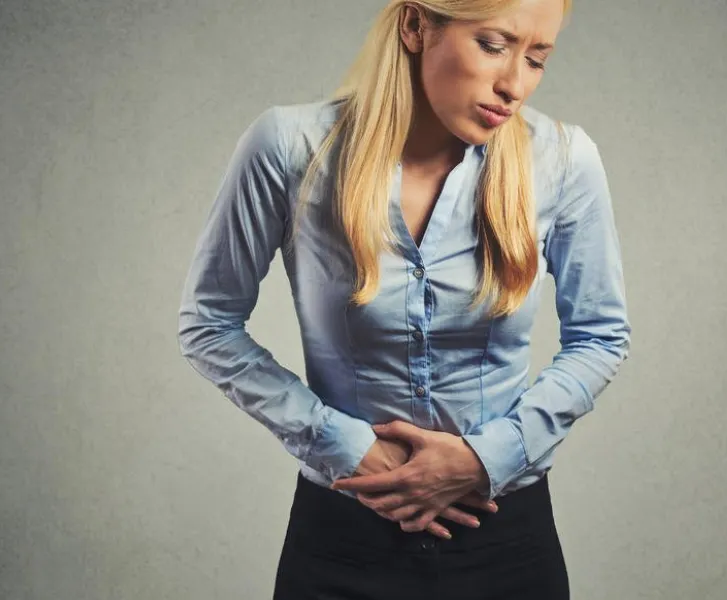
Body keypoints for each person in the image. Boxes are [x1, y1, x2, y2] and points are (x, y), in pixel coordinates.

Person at [177, 0, 629, 597]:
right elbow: (208, 324)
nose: (514, 84)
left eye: (537, 59)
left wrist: (485, 457)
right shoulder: (289, 148)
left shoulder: (564, 160)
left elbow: (601, 336)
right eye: (494, 46)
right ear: (416, 25)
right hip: (342, 538)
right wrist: (343, 444)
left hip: (505, 543)